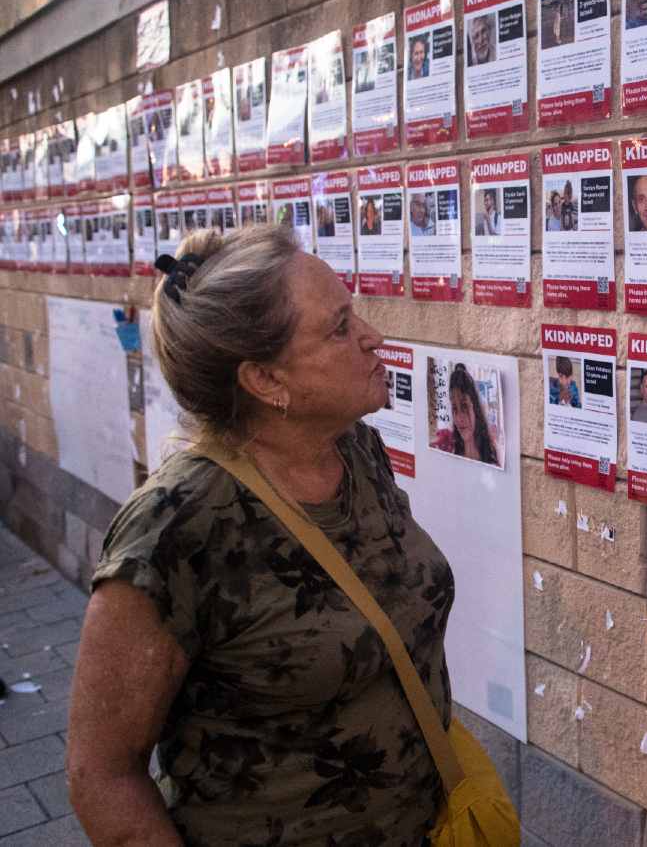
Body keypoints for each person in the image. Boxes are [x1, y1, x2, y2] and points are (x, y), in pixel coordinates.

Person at [67, 226, 457, 845]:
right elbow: (102, 774)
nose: (372, 338)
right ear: (265, 382)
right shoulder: (175, 528)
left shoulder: (356, 451)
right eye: (337, 327)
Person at [434, 363, 499, 465]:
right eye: (454, 408)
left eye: (464, 406)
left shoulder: (491, 457)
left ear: (475, 407)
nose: (459, 418)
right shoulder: (450, 450)